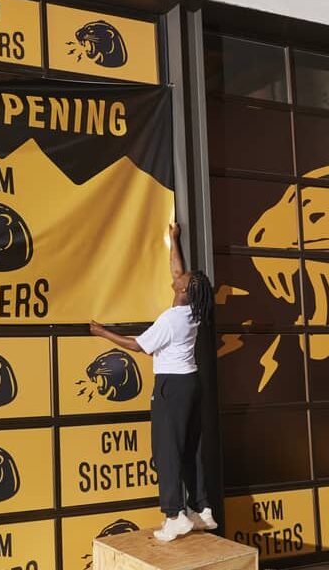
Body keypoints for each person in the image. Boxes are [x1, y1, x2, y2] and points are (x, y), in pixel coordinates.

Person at [89, 221, 216, 542]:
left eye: (184, 279)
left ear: (183, 291)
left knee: (167, 451)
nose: (180, 276)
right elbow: (178, 271)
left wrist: (102, 332)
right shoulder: (194, 311)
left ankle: (174, 516)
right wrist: (173, 239)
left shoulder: (171, 320)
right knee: (191, 447)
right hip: (190, 385)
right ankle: (201, 509)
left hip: (171, 388)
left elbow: (138, 346)